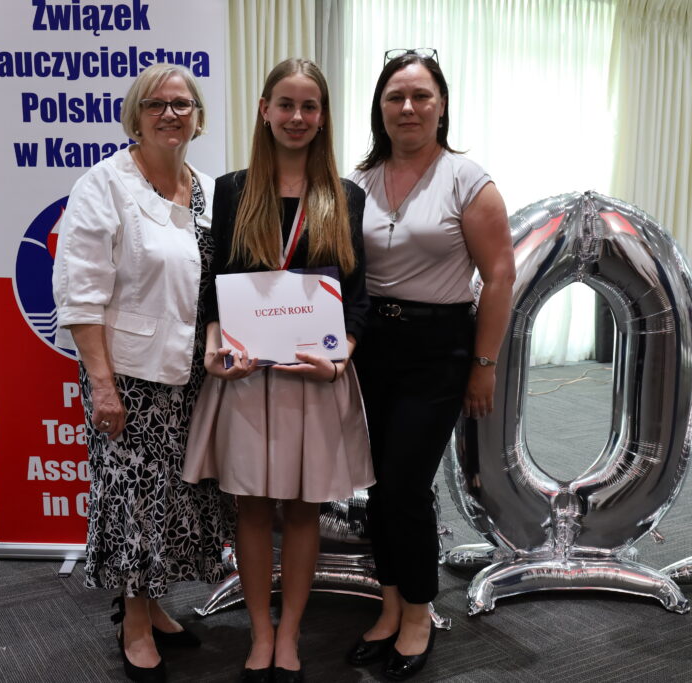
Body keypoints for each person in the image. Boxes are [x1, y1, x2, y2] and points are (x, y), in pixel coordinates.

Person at [182, 58, 372, 683]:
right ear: (264, 110)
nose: (297, 117)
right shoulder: (233, 191)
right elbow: (215, 285)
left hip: (315, 378)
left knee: (303, 509)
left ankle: (289, 632)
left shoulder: (345, 197)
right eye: (285, 104)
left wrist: (341, 355)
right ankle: (259, 631)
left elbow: (358, 296)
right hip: (247, 376)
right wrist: (214, 344)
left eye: (309, 106)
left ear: (323, 116)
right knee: (253, 508)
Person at [51, 63, 233, 683]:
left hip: (194, 374)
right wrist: (102, 386)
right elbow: (79, 295)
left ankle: (155, 608)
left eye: (182, 104)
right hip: (127, 376)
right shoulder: (103, 185)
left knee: (177, 496)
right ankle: (133, 623)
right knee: (133, 499)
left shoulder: (210, 190)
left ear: (198, 117)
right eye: (156, 104)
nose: (170, 114)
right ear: (135, 115)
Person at [346, 49, 515, 681]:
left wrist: (484, 364)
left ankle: (418, 611)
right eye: (396, 96)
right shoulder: (359, 180)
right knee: (377, 483)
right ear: (380, 108)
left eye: (421, 96)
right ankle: (389, 603)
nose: (408, 107)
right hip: (370, 346)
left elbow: (499, 275)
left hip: (438, 347)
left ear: (441, 106)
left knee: (406, 484)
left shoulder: (467, 179)